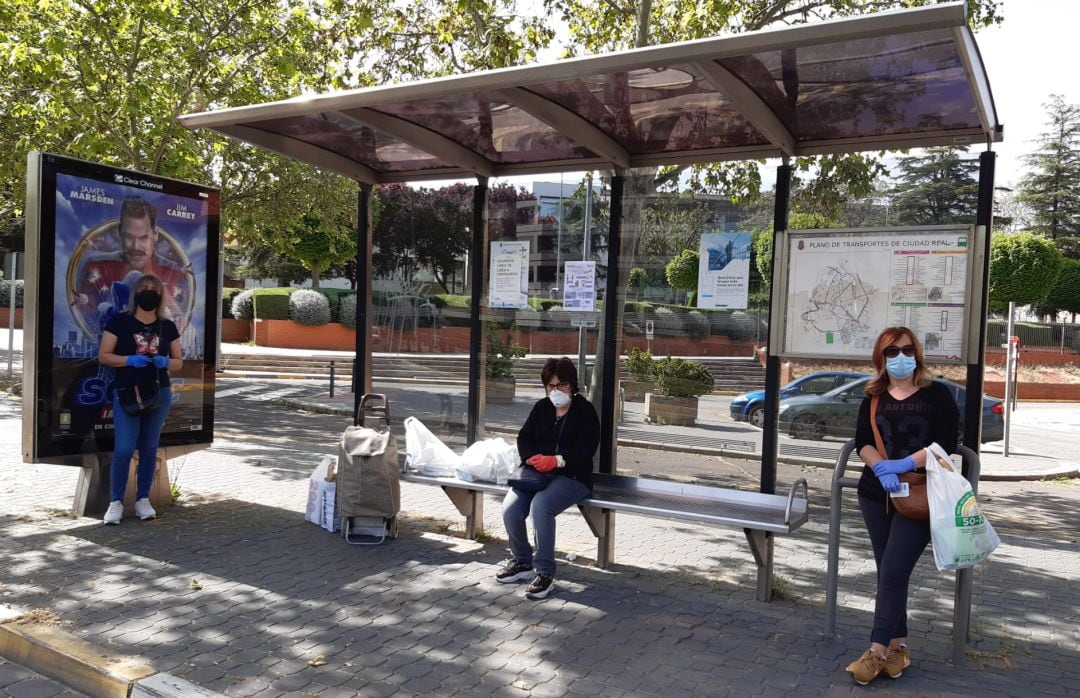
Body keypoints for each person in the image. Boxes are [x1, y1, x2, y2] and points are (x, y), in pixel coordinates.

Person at [846, 326, 959, 685]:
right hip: (875, 494)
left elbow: (947, 443)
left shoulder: (937, 394)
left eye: (906, 350)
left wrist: (904, 464)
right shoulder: (873, 395)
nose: (900, 358)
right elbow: (862, 440)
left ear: (917, 353)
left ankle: (876, 651)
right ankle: (899, 647)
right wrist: (879, 466)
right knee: (888, 572)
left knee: (894, 571)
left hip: (920, 495)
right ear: (881, 359)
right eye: (891, 352)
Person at [497, 357, 600, 600]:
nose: (556, 391)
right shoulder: (542, 408)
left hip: (572, 476)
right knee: (510, 508)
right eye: (551, 386)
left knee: (540, 506)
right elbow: (524, 438)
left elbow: (587, 448)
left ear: (572, 385)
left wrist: (558, 460)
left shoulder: (584, 412)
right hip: (535, 475)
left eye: (561, 385)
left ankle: (544, 572)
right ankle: (522, 561)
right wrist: (532, 457)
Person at [97, 274, 183, 525]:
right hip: (127, 393)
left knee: (149, 448)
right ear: (135, 293)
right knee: (124, 448)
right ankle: (115, 502)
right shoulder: (120, 322)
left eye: (154, 289)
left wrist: (166, 362)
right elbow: (104, 355)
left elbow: (179, 361)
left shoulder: (167, 327)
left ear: (160, 294)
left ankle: (143, 499)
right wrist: (128, 360)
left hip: (159, 392)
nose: (149, 292)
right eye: (144, 288)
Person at [72, 197, 193, 335]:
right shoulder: (97, 267)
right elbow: (91, 317)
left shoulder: (175, 274)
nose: (135, 246)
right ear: (119, 232)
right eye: (129, 237)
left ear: (155, 235)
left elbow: (179, 324)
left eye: (143, 238)